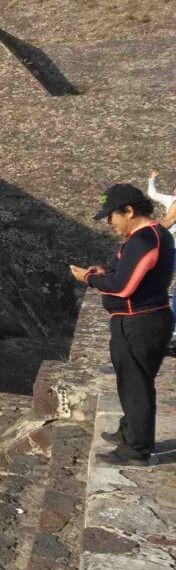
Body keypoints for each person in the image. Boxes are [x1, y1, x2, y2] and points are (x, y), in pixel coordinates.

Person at [70, 183, 175, 466]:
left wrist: (89, 279)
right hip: (141, 320)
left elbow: (122, 287)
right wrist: (105, 270)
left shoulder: (144, 240)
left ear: (128, 211)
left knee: (136, 385)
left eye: (111, 215)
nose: (108, 222)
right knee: (133, 382)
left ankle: (136, 449)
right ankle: (130, 431)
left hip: (139, 323)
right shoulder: (147, 236)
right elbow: (127, 273)